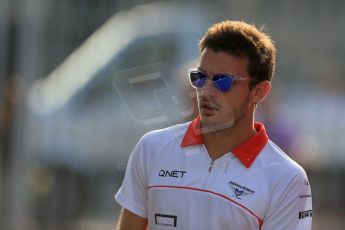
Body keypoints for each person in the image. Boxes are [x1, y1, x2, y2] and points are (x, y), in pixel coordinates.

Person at [114, 20, 312, 230]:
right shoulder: (151, 148)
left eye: (222, 81)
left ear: (259, 92)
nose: (206, 91)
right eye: (199, 77)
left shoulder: (287, 179)